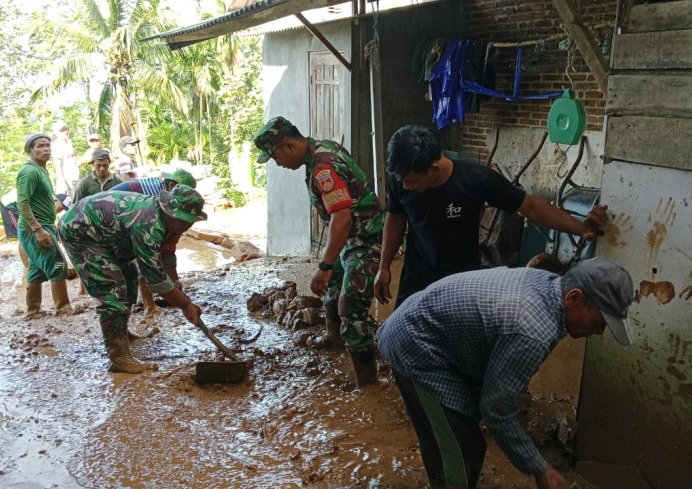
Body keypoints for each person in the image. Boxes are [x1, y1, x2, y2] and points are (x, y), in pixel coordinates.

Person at [377, 258, 635, 489]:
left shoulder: (548, 284)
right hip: (416, 347)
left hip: (436, 335)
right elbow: (496, 410)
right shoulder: (532, 329)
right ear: (574, 298)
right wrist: (540, 468)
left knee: (458, 436)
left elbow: (503, 388)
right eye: (599, 322)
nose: (599, 331)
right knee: (463, 448)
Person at [374, 124, 608, 309]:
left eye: (412, 181)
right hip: (416, 279)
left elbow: (531, 208)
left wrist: (580, 228)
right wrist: (384, 266)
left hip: (461, 281)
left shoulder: (477, 180)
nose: (405, 185)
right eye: (401, 180)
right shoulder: (400, 179)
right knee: (402, 340)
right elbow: (395, 218)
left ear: (434, 169)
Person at [253, 116, 385, 387]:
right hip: (350, 236)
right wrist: (328, 268)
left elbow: (342, 218)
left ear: (288, 145)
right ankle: (335, 338)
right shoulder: (321, 148)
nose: (278, 164)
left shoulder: (323, 168)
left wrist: (324, 265)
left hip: (366, 237)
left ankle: (368, 384)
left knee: (351, 304)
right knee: (330, 284)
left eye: (275, 157)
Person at [58, 185, 207, 373]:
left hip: (109, 235)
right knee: (113, 291)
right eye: (183, 221)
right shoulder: (148, 224)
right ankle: (118, 356)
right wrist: (185, 304)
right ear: (169, 212)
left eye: (190, 221)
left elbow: (168, 253)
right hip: (81, 232)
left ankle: (121, 333)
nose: (187, 226)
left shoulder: (173, 224)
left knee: (129, 281)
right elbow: (155, 279)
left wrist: (175, 282)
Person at [110, 168, 198, 316]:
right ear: (172, 187)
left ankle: (138, 307)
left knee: (136, 269)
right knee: (144, 262)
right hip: (111, 218)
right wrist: (184, 304)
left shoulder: (171, 208)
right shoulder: (157, 205)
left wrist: (174, 280)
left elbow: (168, 248)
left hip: (124, 217)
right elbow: (150, 261)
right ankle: (149, 306)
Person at [17, 133, 71, 319]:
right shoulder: (29, 172)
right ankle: (63, 308)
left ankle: (33, 311)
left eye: (48, 145)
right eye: (40, 146)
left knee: (37, 269)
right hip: (34, 228)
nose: (46, 149)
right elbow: (22, 204)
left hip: (42, 225)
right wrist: (38, 229)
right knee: (57, 264)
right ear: (30, 150)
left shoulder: (41, 170)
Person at [52, 122, 79, 195]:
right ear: (57, 133)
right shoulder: (57, 145)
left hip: (74, 178)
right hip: (65, 180)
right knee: (65, 202)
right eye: (62, 130)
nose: (66, 132)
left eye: (66, 129)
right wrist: (62, 181)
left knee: (76, 201)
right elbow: (57, 164)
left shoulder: (69, 142)